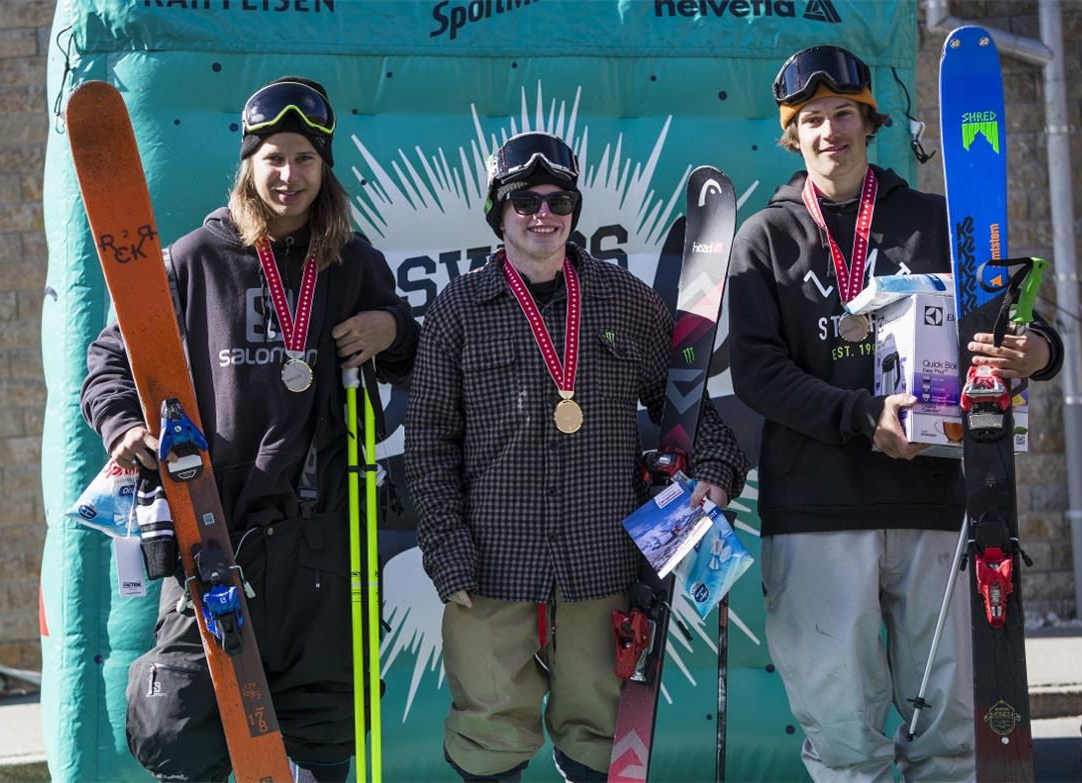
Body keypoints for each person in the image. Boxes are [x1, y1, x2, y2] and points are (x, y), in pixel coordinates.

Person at [727, 45, 1063, 782]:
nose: (828, 132)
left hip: (936, 504)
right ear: (792, 134)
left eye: (842, 114)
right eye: (810, 119)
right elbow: (757, 372)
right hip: (818, 511)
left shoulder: (937, 221)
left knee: (950, 737)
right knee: (847, 741)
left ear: (870, 122)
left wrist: (1032, 354)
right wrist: (862, 415)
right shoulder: (763, 239)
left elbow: (1025, 325)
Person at [80, 76, 418, 782]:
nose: (287, 175)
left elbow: (417, 357)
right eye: (273, 159)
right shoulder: (194, 259)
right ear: (248, 164)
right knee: (185, 725)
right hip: (212, 528)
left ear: (324, 168)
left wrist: (392, 328)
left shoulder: (352, 263)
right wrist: (121, 427)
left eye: (303, 158)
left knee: (325, 725)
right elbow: (110, 359)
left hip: (320, 538)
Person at [404, 131, 749, 782]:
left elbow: (688, 400)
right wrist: (449, 561)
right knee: (488, 737)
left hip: (602, 568)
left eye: (558, 199)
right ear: (497, 212)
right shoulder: (459, 309)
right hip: (489, 571)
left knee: (598, 741)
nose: (543, 213)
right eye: (524, 200)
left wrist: (714, 472)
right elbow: (426, 444)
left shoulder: (623, 299)